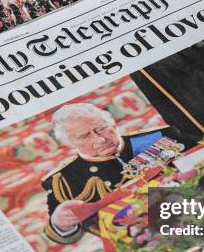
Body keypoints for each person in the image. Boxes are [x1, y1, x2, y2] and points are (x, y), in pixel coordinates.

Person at [42, 103, 184, 244]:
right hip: (147, 242)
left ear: (113, 123)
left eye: (101, 128)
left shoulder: (163, 137)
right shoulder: (63, 180)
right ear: (70, 143)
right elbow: (60, 236)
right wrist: (60, 223)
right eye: (85, 136)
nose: (100, 139)